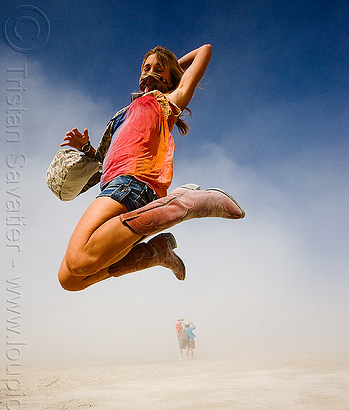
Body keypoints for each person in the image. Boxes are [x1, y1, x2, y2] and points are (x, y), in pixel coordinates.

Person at [57, 44, 245, 292]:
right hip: (117, 185)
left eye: (159, 69)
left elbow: (205, 51)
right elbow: (109, 161)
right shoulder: (124, 114)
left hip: (134, 184)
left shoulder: (168, 101)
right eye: (146, 67)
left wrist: (172, 66)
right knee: (69, 280)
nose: (150, 72)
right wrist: (88, 149)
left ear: (171, 80)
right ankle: (155, 253)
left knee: (78, 260)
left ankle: (181, 203)